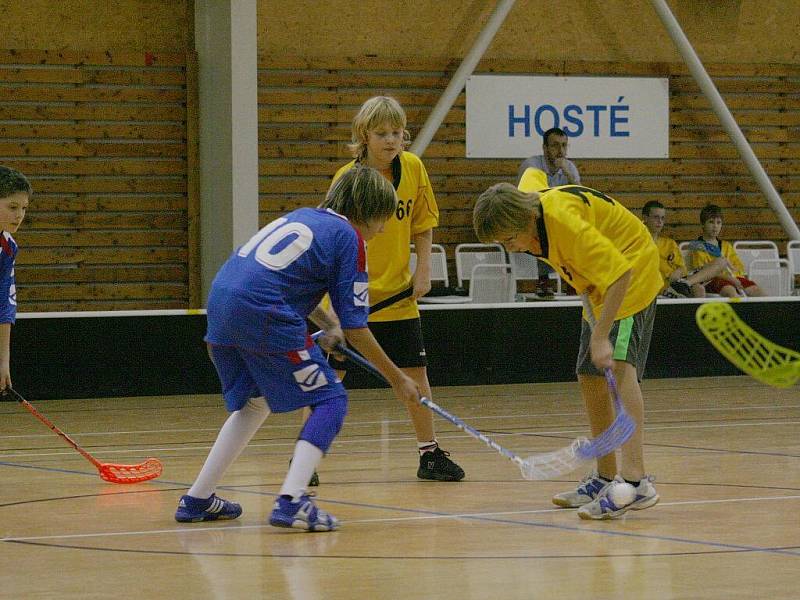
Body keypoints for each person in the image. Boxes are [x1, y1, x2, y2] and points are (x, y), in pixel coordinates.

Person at [175, 166, 420, 532]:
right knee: (331, 400)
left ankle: (197, 498)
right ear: (367, 212)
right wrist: (398, 379)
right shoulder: (348, 238)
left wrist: (327, 325)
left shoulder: (307, 217)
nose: (383, 229)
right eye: (382, 219)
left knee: (255, 403)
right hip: (263, 311)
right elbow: (357, 328)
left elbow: (284, 282)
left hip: (222, 304)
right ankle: (293, 501)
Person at [473, 181, 661, 520]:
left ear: (526, 218)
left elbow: (621, 273)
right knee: (589, 374)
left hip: (631, 271)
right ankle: (605, 477)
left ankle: (636, 483)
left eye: (508, 239)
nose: (510, 248)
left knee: (619, 368)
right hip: (598, 281)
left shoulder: (565, 225)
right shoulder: (527, 202)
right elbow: (532, 176)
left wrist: (601, 335)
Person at [322, 96, 465, 482]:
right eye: (381, 133)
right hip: (351, 295)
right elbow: (331, 237)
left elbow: (423, 223)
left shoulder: (414, 169)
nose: (390, 140)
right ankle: (308, 460)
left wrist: (424, 269)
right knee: (329, 377)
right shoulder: (346, 178)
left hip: (399, 296)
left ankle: (429, 453)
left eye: (397, 133)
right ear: (363, 136)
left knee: (416, 374)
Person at [516, 127, 581, 297]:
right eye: (555, 146)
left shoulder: (569, 167)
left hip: (557, 219)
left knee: (577, 227)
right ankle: (543, 280)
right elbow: (532, 201)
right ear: (544, 148)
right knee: (543, 227)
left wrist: (569, 175)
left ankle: (573, 279)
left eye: (564, 146)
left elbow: (581, 201)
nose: (561, 151)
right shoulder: (531, 166)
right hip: (530, 216)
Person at [641, 200, 727, 298]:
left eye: (663, 218)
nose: (660, 221)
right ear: (645, 218)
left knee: (721, 262)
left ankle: (686, 284)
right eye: (656, 217)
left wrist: (679, 272)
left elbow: (682, 268)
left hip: (679, 282)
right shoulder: (639, 244)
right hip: (660, 286)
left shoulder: (670, 243)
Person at [687, 204, 764, 298]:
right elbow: (704, 272)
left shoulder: (726, 245)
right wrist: (730, 279)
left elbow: (738, 267)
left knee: (757, 291)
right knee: (730, 290)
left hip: (733, 277)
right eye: (711, 222)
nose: (715, 226)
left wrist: (736, 277)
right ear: (703, 224)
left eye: (718, 223)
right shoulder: (697, 246)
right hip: (713, 280)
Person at [0, 166, 31, 392]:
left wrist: (3, 362)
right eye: (12, 207)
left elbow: (4, 305)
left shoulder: (8, 248)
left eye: (23, 208)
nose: (19, 215)